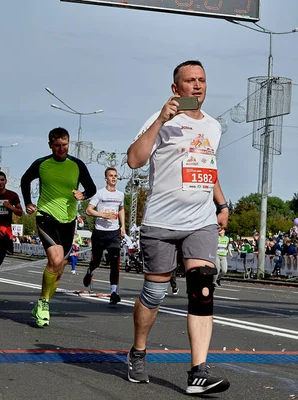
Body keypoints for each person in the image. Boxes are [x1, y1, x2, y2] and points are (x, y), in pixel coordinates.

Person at [125, 60, 230, 395]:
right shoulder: (161, 122)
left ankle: (198, 371)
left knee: (202, 287)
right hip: (160, 221)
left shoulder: (213, 126)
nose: (197, 86)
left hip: (200, 221)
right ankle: (138, 351)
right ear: (176, 89)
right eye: (189, 81)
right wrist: (160, 120)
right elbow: (134, 160)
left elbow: (207, 166)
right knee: (154, 293)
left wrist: (222, 203)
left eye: (201, 80)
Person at [21, 127, 96, 328]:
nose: (61, 149)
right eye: (57, 145)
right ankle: (44, 303)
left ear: (68, 144)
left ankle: (41, 301)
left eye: (64, 145)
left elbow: (92, 187)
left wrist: (83, 194)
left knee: (60, 266)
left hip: (68, 220)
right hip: (46, 215)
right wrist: (28, 202)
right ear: (50, 145)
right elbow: (25, 180)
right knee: (54, 260)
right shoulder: (41, 164)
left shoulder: (77, 165)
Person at [83, 167, 126, 304]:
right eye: (111, 175)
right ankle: (90, 271)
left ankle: (113, 292)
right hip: (100, 231)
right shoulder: (100, 194)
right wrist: (103, 214)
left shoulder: (120, 195)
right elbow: (89, 210)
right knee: (96, 260)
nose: (114, 178)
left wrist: (123, 226)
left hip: (114, 232)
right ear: (106, 178)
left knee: (115, 260)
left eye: (115, 176)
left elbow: (121, 209)